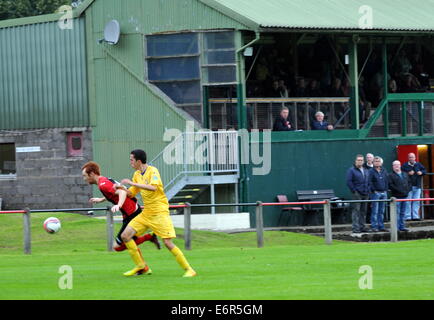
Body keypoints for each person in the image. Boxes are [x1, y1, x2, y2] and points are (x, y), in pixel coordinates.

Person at [119, 149, 197, 277]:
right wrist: (121, 188)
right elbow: (132, 193)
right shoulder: (137, 175)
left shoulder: (153, 171)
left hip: (160, 212)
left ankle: (189, 270)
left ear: (139, 161)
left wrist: (132, 183)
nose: (130, 163)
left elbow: (153, 187)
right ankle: (141, 267)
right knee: (125, 236)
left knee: (167, 242)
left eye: (131, 160)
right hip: (147, 213)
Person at [81, 161, 161, 253]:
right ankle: (145, 252)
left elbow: (122, 192)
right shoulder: (103, 180)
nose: (84, 179)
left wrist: (119, 205)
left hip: (132, 213)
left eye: (84, 176)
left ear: (91, 174)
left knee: (118, 246)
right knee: (127, 240)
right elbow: (114, 193)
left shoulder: (103, 185)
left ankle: (149, 239)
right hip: (130, 212)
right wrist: (101, 199)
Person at [346, 154, 371, 234]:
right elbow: (349, 182)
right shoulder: (351, 170)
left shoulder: (366, 170)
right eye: (358, 160)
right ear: (355, 161)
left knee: (363, 211)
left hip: (365, 193)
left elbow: (368, 181)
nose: (360, 161)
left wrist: (368, 190)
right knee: (356, 210)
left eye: (361, 160)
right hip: (357, 194)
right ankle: (355, 228)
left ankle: (362, 226)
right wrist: (354, 191)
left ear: (363, 161)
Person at [401, 153, 426, 220]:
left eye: (413, 157)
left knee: (416, 201)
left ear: (415, 158)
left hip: (417, 186)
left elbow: (424, 170)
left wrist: (421, 172)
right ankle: (408, 217)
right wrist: (407, 173)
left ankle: (415, 216)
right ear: (408, 158)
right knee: (408, 201)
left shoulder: (418, 164)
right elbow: (401, 173)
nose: (411, 158)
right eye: (410, 157)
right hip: (408, 187)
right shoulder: (404, 165)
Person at [388, 160, 412, 232]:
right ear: (393, 166)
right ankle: (396, 228)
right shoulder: (390, 175)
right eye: (395, 165)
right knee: (397, 213)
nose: (397, 166)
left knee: (403, 212)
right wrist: (400, 191)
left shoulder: (405, 174)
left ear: (400, 165)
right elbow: (391, 185)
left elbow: (409, 183)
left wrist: (407, 190)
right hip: (396, 197)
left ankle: (402, 226)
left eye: (398, 165)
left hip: (405, 196)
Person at [368, 156, 388, 232]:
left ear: (381, 162)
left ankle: (381, 226)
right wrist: (374, 190)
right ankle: (374, 226)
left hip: (384, 193)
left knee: (382, 211)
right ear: (373, 162)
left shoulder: (384, 170)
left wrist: (386, 190)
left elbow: (386, 180)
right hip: (375, 193)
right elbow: (369, 182)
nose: (377, 162)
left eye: (378, 161)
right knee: (375, 211)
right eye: (375, 161)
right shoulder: (371, 171)